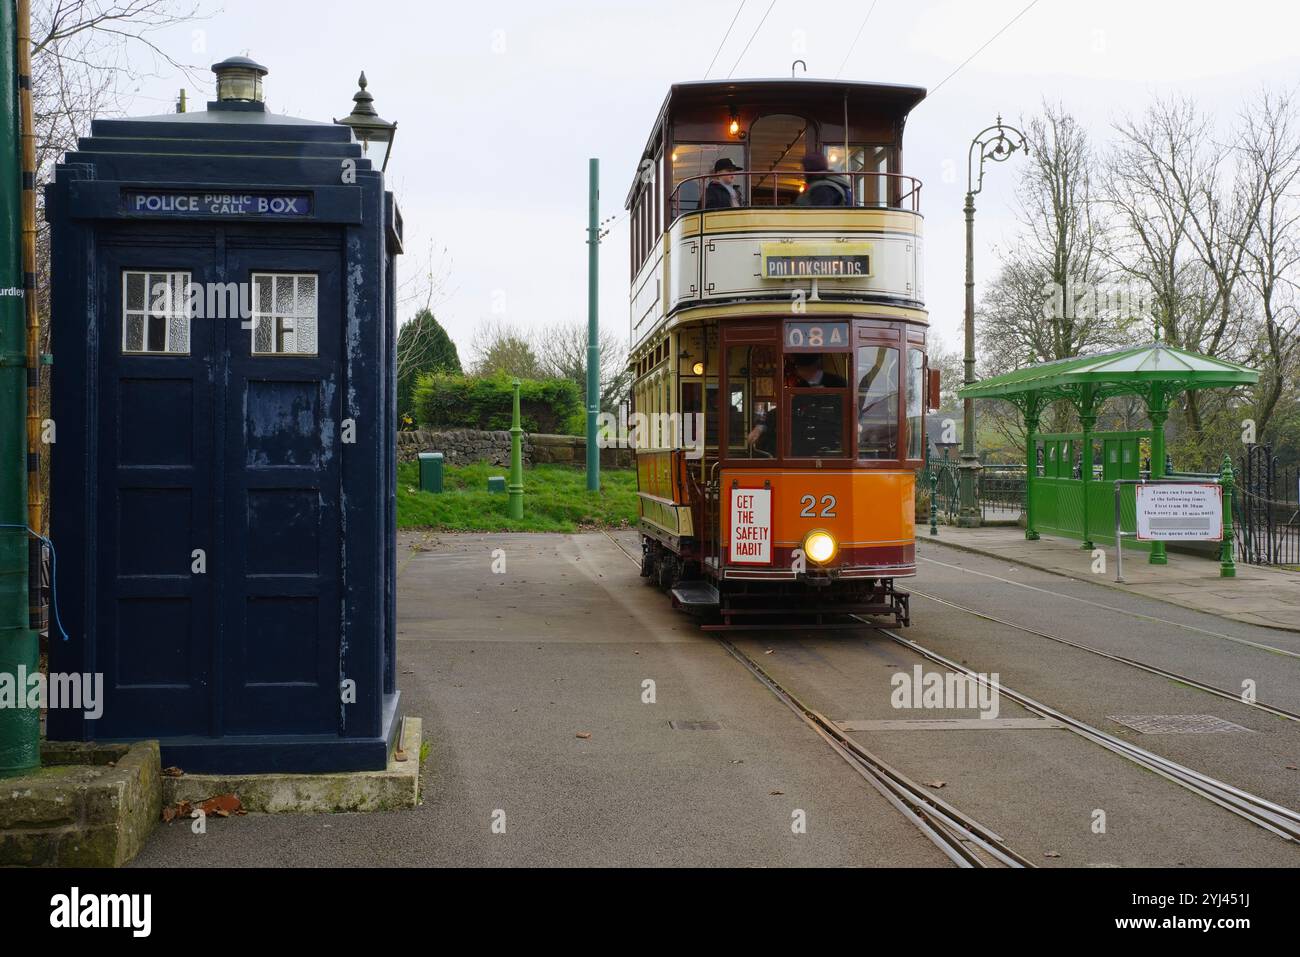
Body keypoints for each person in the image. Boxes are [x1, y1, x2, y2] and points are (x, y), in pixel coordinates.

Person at [746, 354, 847, 452]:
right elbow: (787, 407)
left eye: (804, 368)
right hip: (804, 447)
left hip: (833, 444)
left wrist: (855, 422)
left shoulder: (838, 382)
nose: (800, 372)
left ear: (816, 365)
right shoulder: (800, 385)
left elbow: (849, 408)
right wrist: (761, 426)